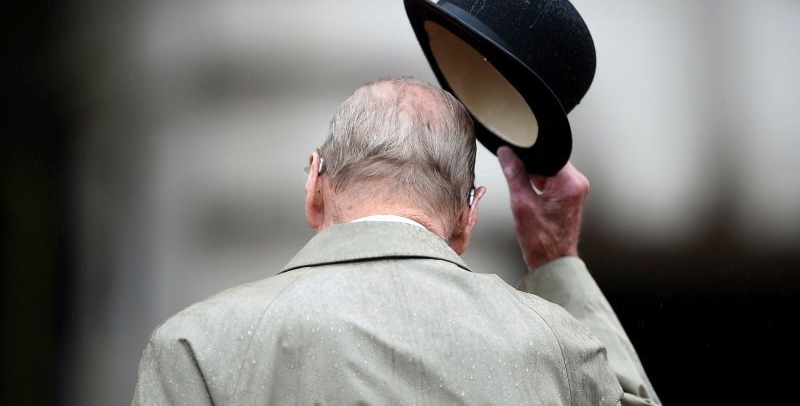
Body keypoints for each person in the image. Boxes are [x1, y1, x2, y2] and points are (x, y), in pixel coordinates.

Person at [132, 76, 660, 405]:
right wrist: (556, 259)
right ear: (466, 217)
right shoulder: (558, 348)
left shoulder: (196, 347)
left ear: (315, 184)